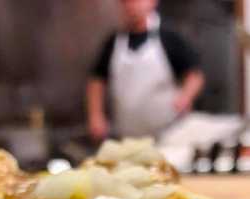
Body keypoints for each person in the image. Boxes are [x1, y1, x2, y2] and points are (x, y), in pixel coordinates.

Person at [88, 0, 205, 141]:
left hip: (168, 133)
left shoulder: (169, 37)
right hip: (127, 136)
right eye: (126, 2)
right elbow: (97, 81)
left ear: (152, 2)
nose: (131, 6)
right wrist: (96, 115)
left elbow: (194, 75)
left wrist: (186, 96)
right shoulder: (113, 42)